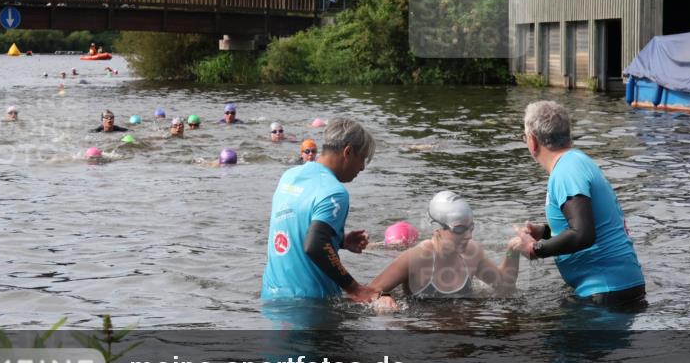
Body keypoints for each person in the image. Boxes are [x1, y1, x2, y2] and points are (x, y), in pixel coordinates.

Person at [513, 101, 645, 307]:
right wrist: (545, 232)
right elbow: (588, 225)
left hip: (606, 291)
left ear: (532, 141)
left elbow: (583, 234)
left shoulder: (566, 172)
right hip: (615, 287)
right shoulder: (576, 162)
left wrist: (534, 248)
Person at [260, 118, 378, 302]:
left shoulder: (289, 176)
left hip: (272, 296)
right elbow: (314, 245)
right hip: (311, 304)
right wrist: (356, 289)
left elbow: (293, 228)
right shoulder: (335, 192)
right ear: (348, 152)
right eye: (362, 159)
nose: (362, 167)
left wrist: (338, 241)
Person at [367, 191, 521, 300]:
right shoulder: (417, 257)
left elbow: (504, 288)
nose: (469, 235)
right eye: (459, 229)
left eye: (471, 228)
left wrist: (512, 251)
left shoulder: (472, 252)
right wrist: (384, 297)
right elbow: (368, 293)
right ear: (437, 228)